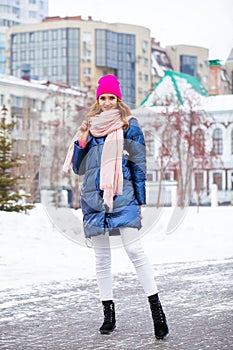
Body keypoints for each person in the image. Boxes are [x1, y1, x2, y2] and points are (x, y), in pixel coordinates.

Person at [63, 75, 169, 340]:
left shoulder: (129, 127)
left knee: (135, 251)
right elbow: (78, 167)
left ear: (118, 99)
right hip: (93, 199)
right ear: (97, 100)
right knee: (101, 259)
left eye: (112, 97)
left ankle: (157, 312)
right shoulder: (88, 127)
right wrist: (83, 142)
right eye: (103, 98)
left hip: (124, 196)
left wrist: (141, 201)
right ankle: (108, 315)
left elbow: (139, 166)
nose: (107, 102)